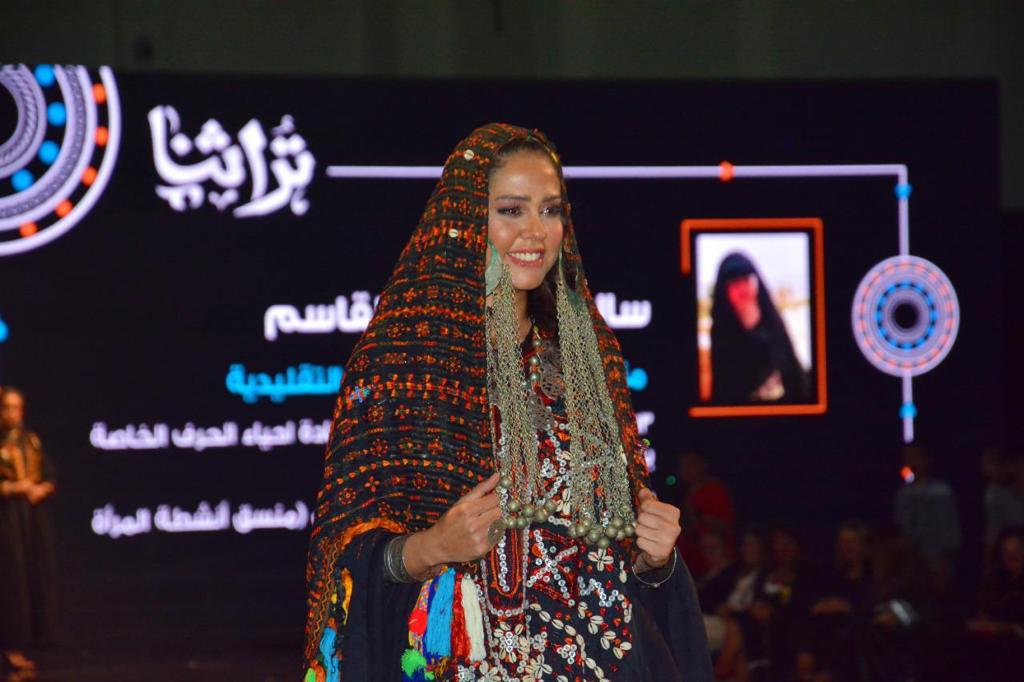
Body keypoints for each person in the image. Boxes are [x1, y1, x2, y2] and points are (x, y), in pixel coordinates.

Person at [303, 124, 711, 681]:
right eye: (511, 210)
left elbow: (617, 553)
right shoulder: (402, 367)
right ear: (467, 222)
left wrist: (653, 560)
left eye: (551, 210)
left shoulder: (589, 360)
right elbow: (340, 554)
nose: (536, 232)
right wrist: (430, 547)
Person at [0, 387, 58, 677]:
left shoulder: (31, 440)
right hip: (6, 518)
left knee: (30, 576)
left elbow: (48, 474)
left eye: (17, 407)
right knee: (10, 580)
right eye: (7, 407)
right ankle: (10, 646)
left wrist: (41, 488)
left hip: (31, 518)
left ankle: (30, 638)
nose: (13, 413)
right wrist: (13, 488)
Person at [709, 253, 808, 404]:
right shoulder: (722, 334)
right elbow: (724, 388)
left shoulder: (773, 321)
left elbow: (794, 373)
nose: (742, 289)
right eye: (735, 283)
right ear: (725, 291)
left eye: (746, 280)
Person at [894, 445, 961, 587]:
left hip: (935, 558)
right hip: (909, 562)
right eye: (908, 458)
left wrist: (945, 560)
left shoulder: (941, 492)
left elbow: (949, 529)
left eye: (916, 458)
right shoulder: (903, 493)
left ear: (927, 460)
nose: (912, 462)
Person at [677, 451, 736, 577]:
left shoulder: (715, 490)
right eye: (683, 466)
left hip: (717, 564)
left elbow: (727, 525)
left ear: (703, 464)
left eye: (690, 465)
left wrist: (698, 516)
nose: (686, 470)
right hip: (694, 566)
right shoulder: (686, 495)